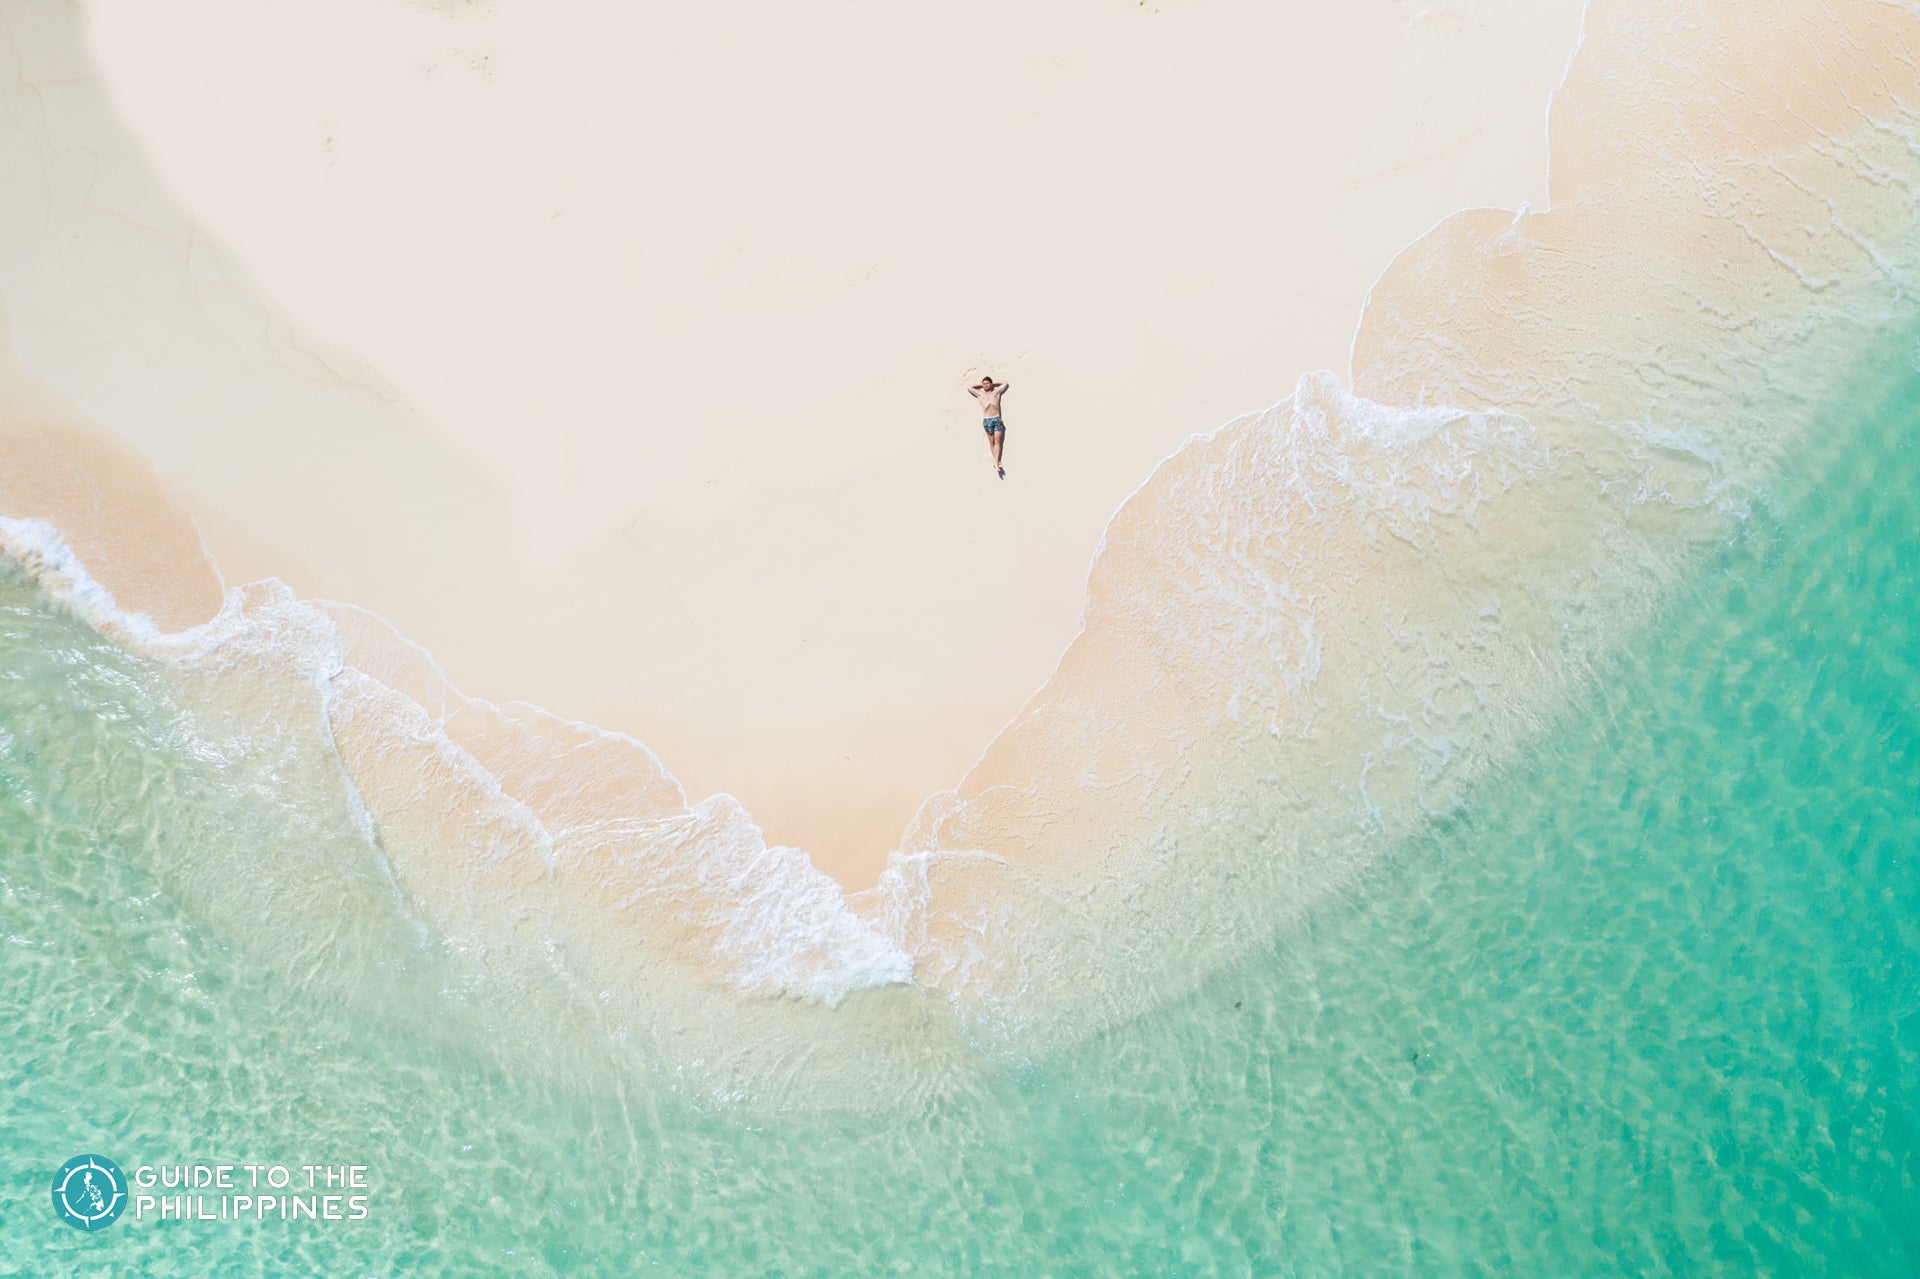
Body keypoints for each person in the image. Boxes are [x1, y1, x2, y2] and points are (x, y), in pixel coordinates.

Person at [968, 375, 1010, 477]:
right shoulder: (980, 394)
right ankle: (996, 460)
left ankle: (996, 462)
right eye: (984, 384)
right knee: (991, 442)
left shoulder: (996, 392)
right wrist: (981, 384)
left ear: (991, 384)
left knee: (998, 441)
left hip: (996, 419)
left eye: (987, 383)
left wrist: (993, 383)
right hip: (987, 420)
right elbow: (969, 388)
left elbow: (1005, 383)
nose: (985, 385)